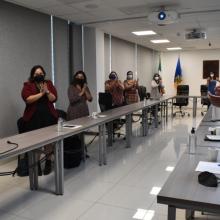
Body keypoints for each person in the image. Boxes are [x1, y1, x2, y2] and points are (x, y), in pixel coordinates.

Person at [21, 65, 58, 175]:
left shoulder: (49, 84)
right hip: (33, 118)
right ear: (32, 75)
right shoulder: (28, 85)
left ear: (44, 74)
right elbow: (28, 99)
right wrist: (41, 93)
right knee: (36, 143)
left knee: (48, 142)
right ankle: (36, 165)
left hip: (48, 117)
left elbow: (54, 98)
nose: (39, 75)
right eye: (36, 74)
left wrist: (47, 91)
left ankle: (48, 162)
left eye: (41, 73)